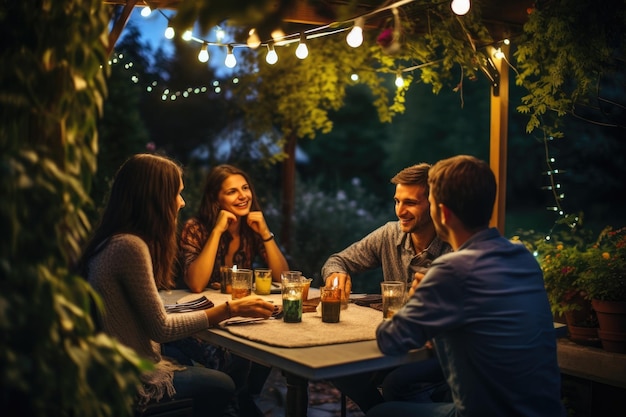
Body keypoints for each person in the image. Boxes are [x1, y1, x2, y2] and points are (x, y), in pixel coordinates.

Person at [78, 154, 275, 417]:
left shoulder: (114, 241)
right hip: (131, 375)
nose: (182, 202)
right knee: (223, 384)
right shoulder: (129, 246)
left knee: (195, 361)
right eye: (177, 193)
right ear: (155, 197)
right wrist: (230, 309)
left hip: (115, 362)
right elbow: (161, 329)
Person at [368, 155, 565, 417]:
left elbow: (390, 339)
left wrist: (422, 297)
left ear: (443, 213)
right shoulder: (523, 257)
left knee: (379, 413)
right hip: (546, 411)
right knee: (400, 386)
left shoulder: (451, 270)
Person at [321, 163, 452, 412]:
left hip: (434, 350)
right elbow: (337, 260)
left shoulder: (453, 247)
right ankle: (380, 411)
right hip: (395, 341)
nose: (400, 211)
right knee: (335, 365)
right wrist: (336, 275)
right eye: (397, 201)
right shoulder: (389, 235)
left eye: (410, 203)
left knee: (397, 382)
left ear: (434, 203)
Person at [167, 163, 289, 416]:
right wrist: (218, 230)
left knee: (268, 339)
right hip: (200, 320)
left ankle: (242, 398)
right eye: (232, 191)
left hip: (236, 314)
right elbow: (196, 283)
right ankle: (235, 402)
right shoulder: (196, 227)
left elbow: (284, 277)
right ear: (215, 198)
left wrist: (266, 234)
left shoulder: (250, 230)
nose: (243, 195)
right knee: (238, 354)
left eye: (245, 188)